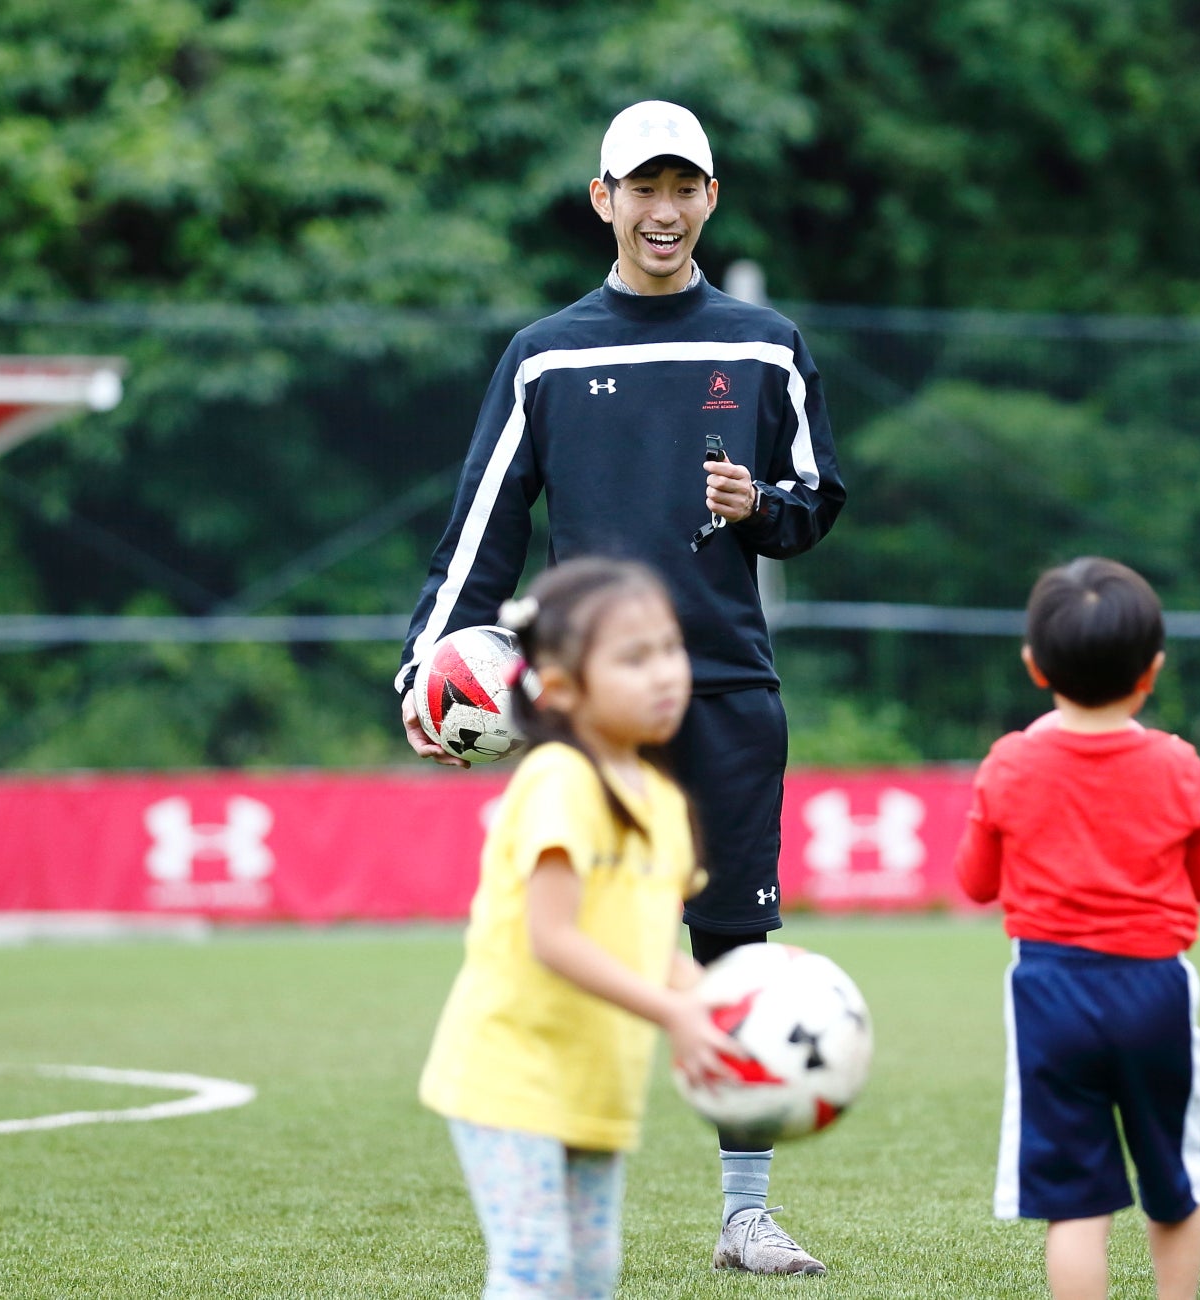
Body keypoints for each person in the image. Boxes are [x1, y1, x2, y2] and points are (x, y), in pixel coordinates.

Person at [396, 99, 844, 1274]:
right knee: (572, 940)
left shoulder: (765, 342)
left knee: (737, 945)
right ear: (603, 199)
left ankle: (745, 1212)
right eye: (639, 188)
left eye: (682, 187)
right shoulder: (547, 351)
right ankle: (553, 1181)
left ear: (710, 198)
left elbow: (816, 498)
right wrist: (428, 662)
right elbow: (484, 526)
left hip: (729, 691)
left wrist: (767, 508)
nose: (662, 209)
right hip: (587, 714)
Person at [418, 557, 739, 1299]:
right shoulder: (559, 779)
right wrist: (674, 1013)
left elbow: (648, 942)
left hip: (596, 1083)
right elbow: (553, 938)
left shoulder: (661, 798)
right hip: (510, 1075)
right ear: (559, 690)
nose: (665, 674)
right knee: (535, 1268)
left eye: (669, 649)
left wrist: (731, 1002)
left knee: (590, 1278)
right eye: (634, 658)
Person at [954, 557, 1200, 1300]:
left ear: (1035, 667)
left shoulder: (1009, 763)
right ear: (1153, 670)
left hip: (1048, 991)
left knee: (1075, 1200)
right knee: (1173, 1180)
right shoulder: (1178, 764)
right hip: (1154, 990)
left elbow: (975, 883)